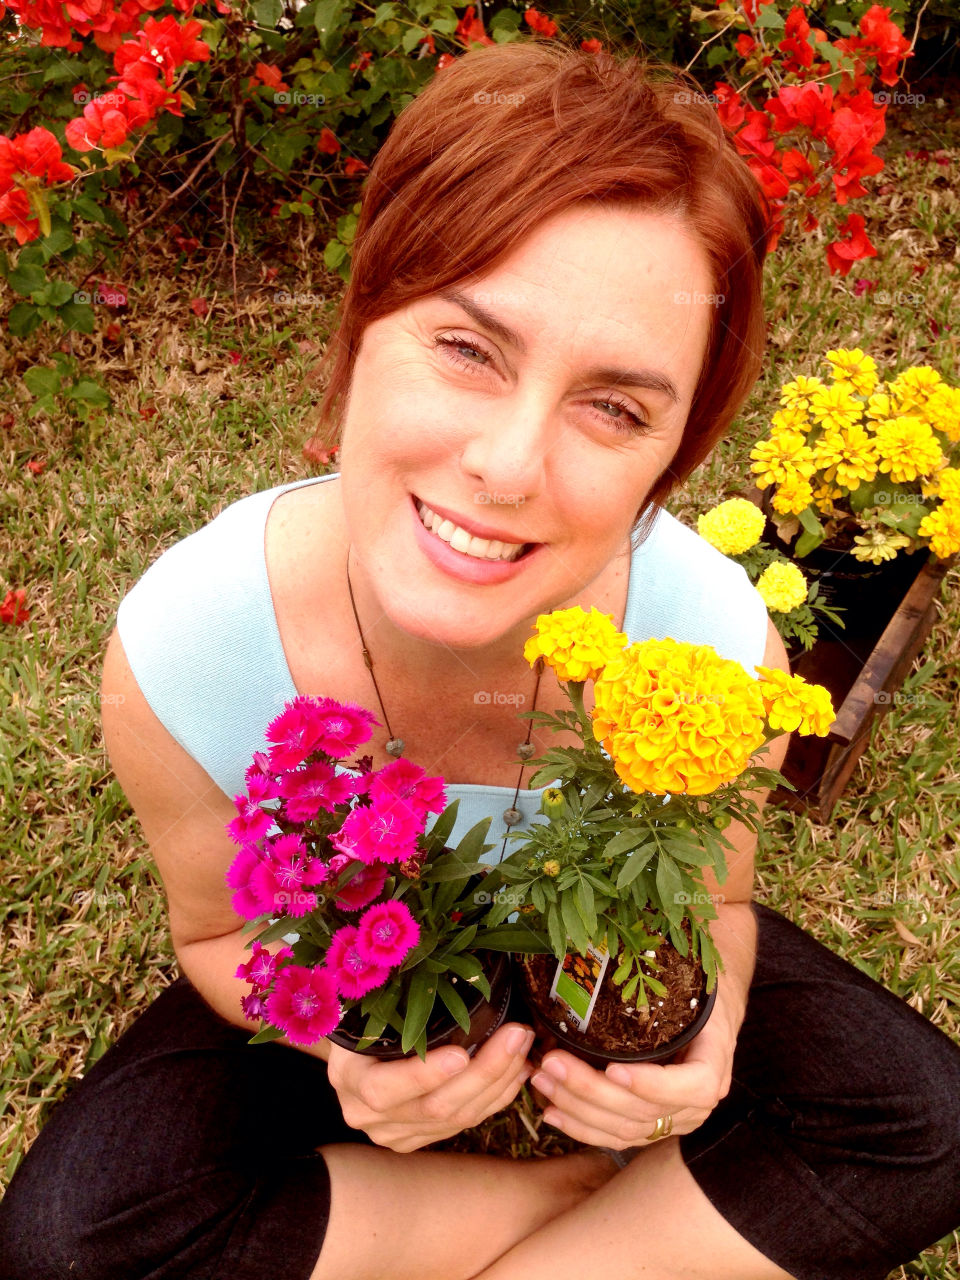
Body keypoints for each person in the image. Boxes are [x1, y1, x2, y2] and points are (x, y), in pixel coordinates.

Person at [2, 38, 960, 1280]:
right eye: (467, 347)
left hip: (603, 953)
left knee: (924, 1122)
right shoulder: (187, 652)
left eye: (615, 406)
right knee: (70, 1243)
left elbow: (714, 900)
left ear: (669, 458)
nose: (508, 466)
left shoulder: (714, 647)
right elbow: (221, 939)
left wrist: (709, 1034)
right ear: (359, 331)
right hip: (371, 971)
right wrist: (342, 1057)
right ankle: (582, 1191)